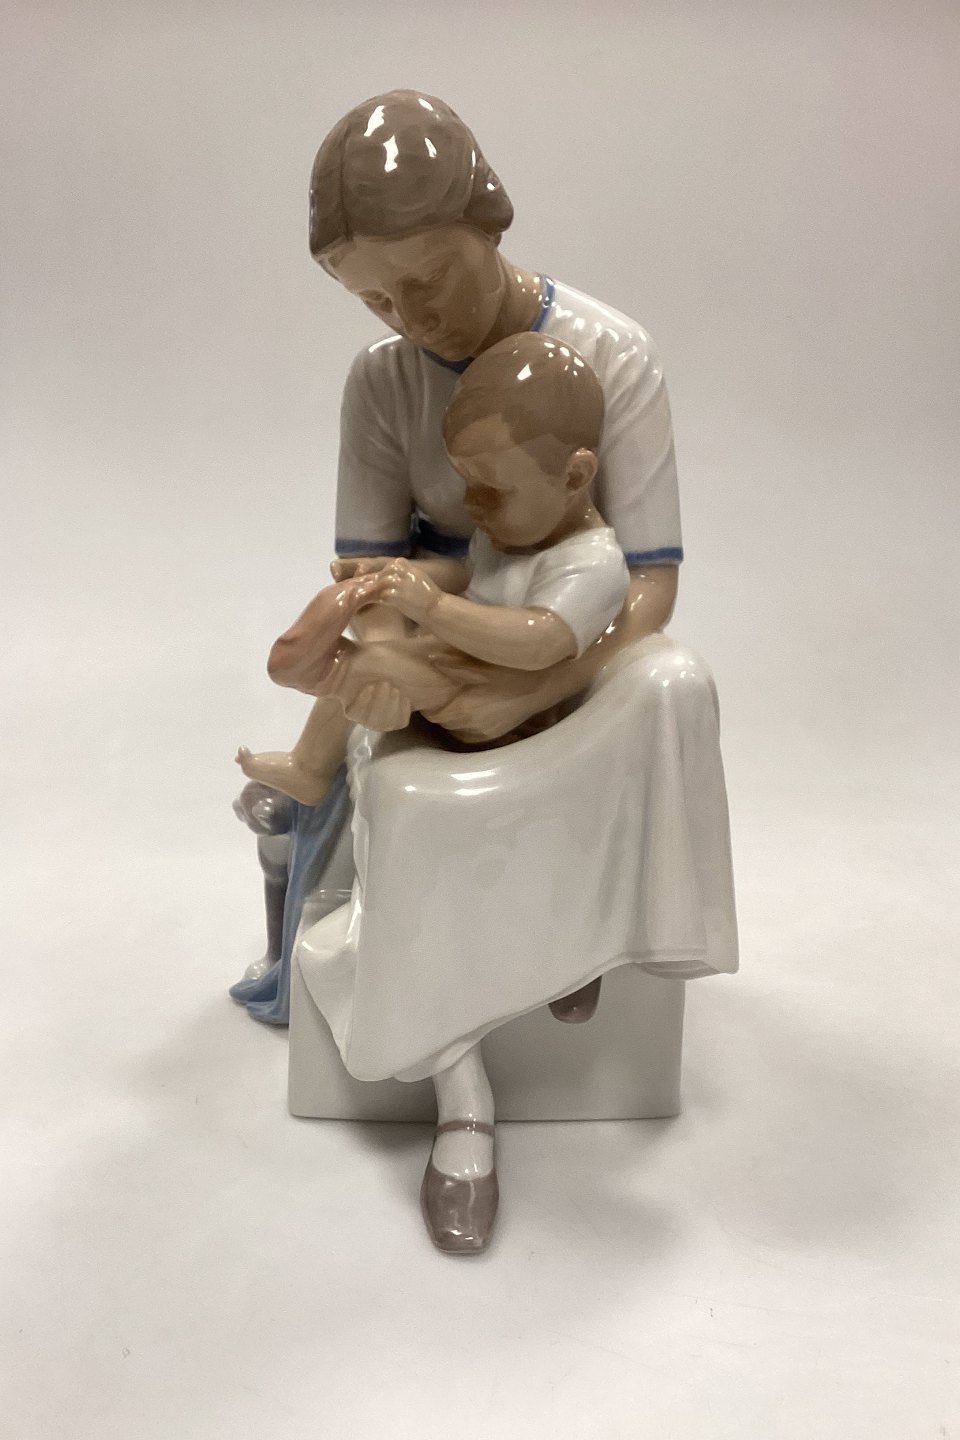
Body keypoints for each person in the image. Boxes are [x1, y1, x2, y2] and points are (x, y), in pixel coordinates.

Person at [234, 90, 735, 1254]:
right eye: (376, 299)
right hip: (446, 663)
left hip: (570, 657)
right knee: (406, 792)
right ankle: (463, 1101)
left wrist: (531, 686)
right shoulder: (383, 382)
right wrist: (401, 624)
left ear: (489, 221)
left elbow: (647, 587)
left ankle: (604, 941)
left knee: (675, 683)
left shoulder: (611, 354)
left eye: (429, 279)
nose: (411, 317)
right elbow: (379, 569)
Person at [236, 333, 628, 803]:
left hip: (503, 701)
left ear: (574, 475)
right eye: (467, 483)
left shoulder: (592, 563)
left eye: (493, 490)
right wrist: (394, 576)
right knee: (375, 628)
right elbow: (470, 576)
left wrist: (433, 607)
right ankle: (335, 707)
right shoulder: (510, 533)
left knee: (372, 664)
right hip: (453, 661)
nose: (472, 505)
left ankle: (310, 760)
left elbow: (538, 641)